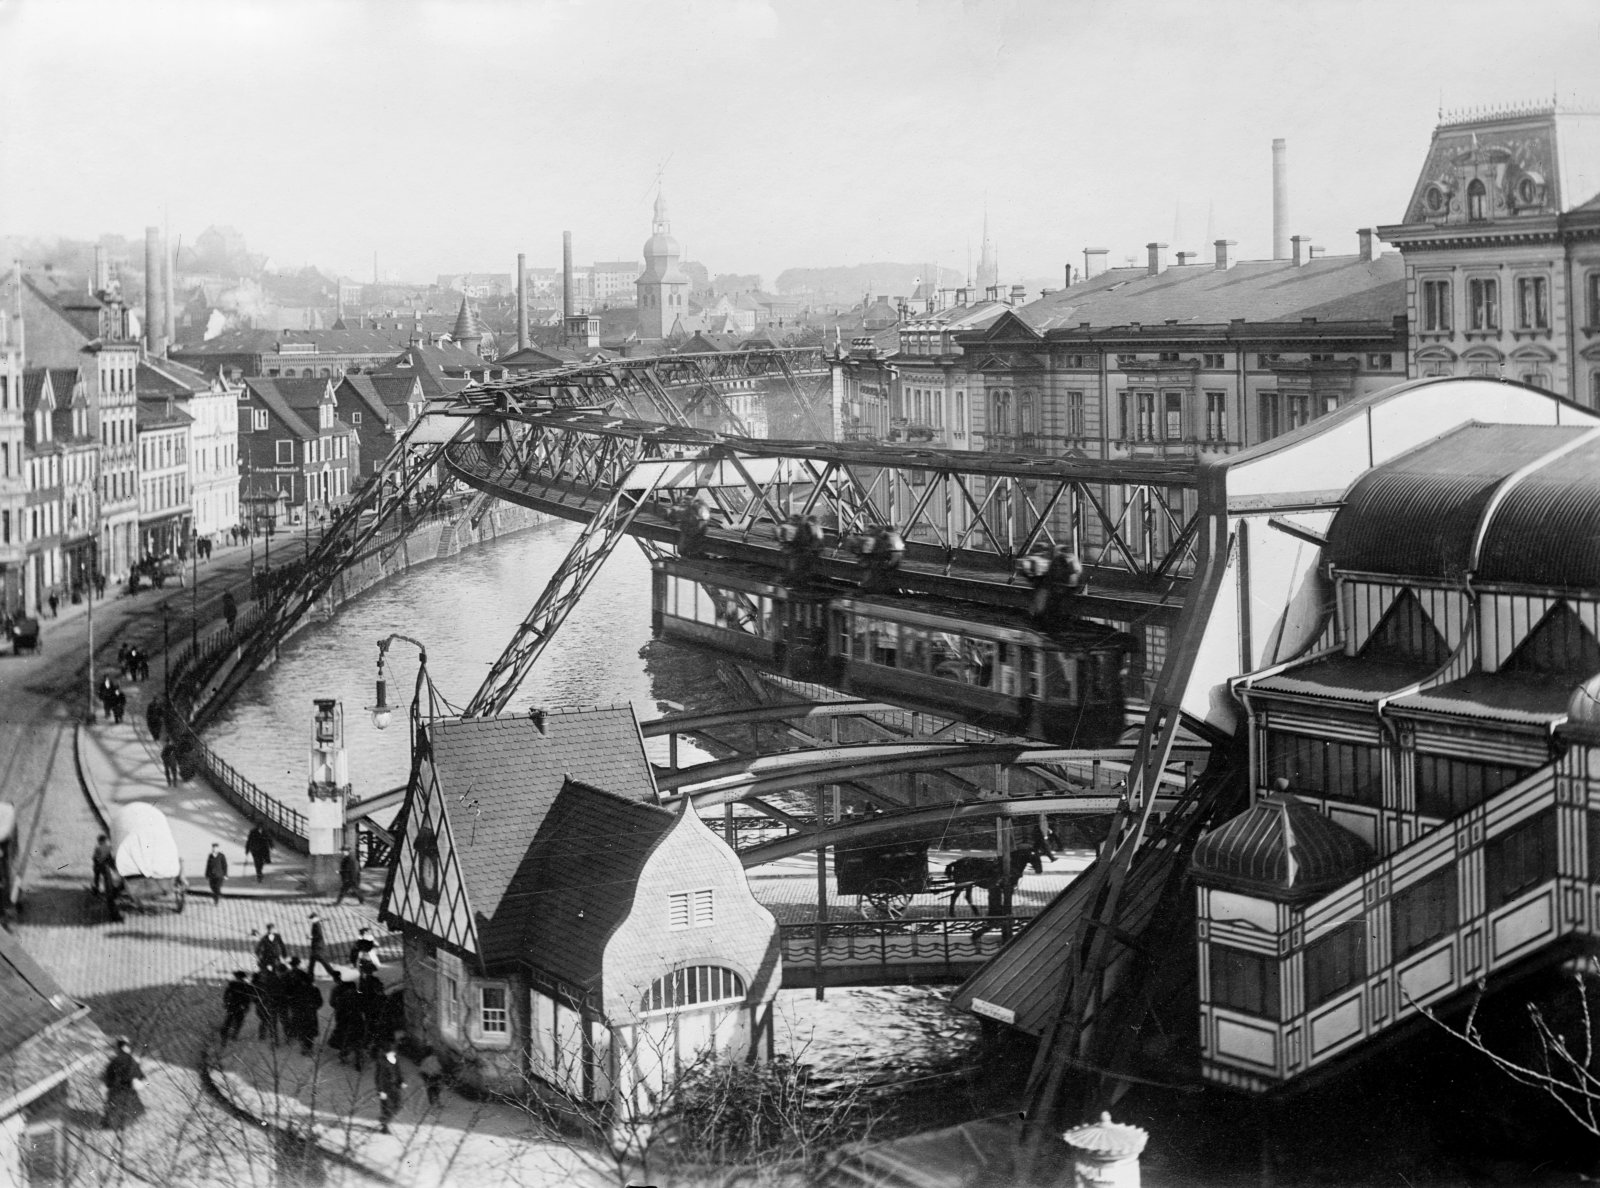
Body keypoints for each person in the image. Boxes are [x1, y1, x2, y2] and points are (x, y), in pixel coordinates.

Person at [102, 1039, 146, 1130]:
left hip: (117, 1089)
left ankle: (108, 1124)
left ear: (119, 1048)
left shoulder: (116, 1060)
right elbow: (141, 1076)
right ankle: (123, 1125)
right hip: (129, 1089)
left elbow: (109, 1075)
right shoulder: (132, 1060)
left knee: (113, 1106)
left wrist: (109, 1084)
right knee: (128, 1107)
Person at [373, 1046, 405, 1134]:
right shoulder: (382, 1063)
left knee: (398, 1105)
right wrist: (381, 1091)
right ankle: (385, 1126)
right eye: (391, 1052)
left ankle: (384, 1120)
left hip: (394, 1086)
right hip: (385, 1088)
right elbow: (379, 1078)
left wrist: (401, 1081)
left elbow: (398, 1072)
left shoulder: (394, 1060)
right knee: (387, 1107)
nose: (394, 1053)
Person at [220, 970, 253, 1042]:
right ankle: (232, 1035)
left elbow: (226, 995)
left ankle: (225, 1035)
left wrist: (226, 1003)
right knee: (237, 1022)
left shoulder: (232, 985)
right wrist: (246, 1006)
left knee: (230, 1020)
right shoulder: (245, 985)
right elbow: (248, 998)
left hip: (233, 1006)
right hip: (240, 1006)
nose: (238, 978)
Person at [307, 912, 337, 979]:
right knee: (312, 962)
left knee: (322, 961)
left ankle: (333, 973)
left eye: (312, 918)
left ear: (315, 918)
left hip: (318, 947)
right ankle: (309, 975)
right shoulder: (315, 924)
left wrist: (311, 937)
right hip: (317, 946)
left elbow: (319, 935)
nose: (311, 920)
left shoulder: (317, 925)